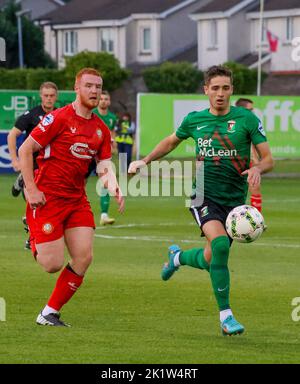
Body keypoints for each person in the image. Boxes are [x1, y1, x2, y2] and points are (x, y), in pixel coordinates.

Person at [129, 65, 274, 336]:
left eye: (226, 88)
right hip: (203, 195)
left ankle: (178, 258)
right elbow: (172, 141)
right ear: (206, 89)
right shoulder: (194, 120)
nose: (220, 94)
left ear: (232, 90)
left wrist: (257, 168)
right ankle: (226, 317)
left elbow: (268, 159)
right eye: (215, 88)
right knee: (220, 245)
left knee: (211, 258)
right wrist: (145, 160)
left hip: (234, 202)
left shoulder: (246, 119)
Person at [18, 68, 125, 327]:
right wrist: (31, 189)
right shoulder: (58, 118)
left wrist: (113, 183)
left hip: (76, 199)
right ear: (77, 88)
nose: (94, 91)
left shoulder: (100, 129)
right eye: (88, 86)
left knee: (84, 257)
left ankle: (49, 313)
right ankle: (33, 233)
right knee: (51, 264)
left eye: (98, 87)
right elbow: (25, 149)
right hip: (47, 198)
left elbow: (103, 164)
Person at [7, 82, 58, 249]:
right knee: (35, 201)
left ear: (55, 97)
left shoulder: (60, 115)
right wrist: (15, 160)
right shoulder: (31, 115)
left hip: (51, 165)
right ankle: (32, 238)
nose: (49, 99)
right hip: (33, 164)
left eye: (52, 95)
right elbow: (12, 135)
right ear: (41, 96)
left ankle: (29, 223)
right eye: (46, 95)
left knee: (46, 202)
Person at [235, 98, 263, 213]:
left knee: (255, 187)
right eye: (249, 109)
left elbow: (255, 143)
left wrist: (256, 162)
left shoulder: (251, 122)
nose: (252, 112)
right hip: (232, 162)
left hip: (248, 160)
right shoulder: (232, 123)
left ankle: (256, 220)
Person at [94, 90, 118, 225]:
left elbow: (112, 134)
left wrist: (113, 147)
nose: (103, 101)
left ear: (109, 101)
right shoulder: (93, 114)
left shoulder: (112, 118)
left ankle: (104, 215)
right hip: (89, 154)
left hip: (103, 156)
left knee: (105, 183)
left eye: (106, 99)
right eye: (101, 98)